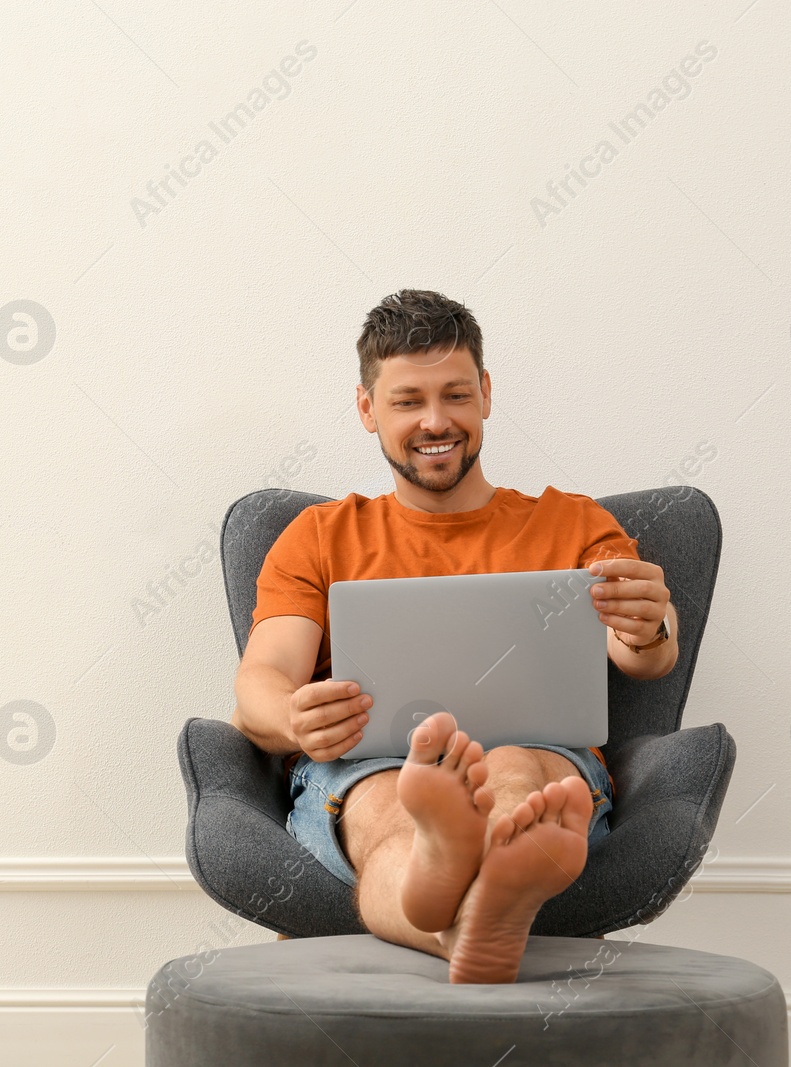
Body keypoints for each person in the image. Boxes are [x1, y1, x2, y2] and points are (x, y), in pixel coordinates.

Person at [228, 289, 679, 983]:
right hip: (366, 763)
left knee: (515, 775)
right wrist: (292, 716)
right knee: (388, 808)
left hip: (542, 752)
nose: (436, 421)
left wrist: (649, 627)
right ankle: (471, 904)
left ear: (486, 394)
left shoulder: (574, 524)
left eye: (456, 395)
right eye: (408, 400)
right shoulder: (319, 537)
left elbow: (643, 652)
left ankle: (453, 912)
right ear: (366, 408)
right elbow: (259, 685)